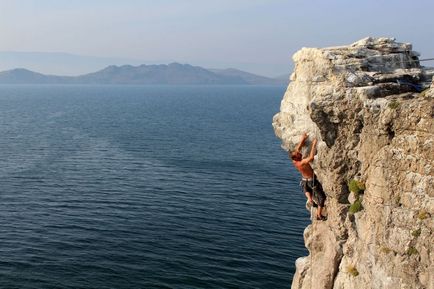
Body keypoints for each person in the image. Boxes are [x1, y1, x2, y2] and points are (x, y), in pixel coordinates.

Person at [290, 132, 327, 221]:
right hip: (311, 181)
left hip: (304, 181)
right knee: (322, 198)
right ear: (297, 158)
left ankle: (310, 199)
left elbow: (298, 149)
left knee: (306, 189)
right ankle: (319, 215)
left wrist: (303, 138)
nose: (300, 153)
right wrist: (314, 145)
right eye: (299, 154)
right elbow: (311, 157)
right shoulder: (302, 163)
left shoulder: (294, 161)